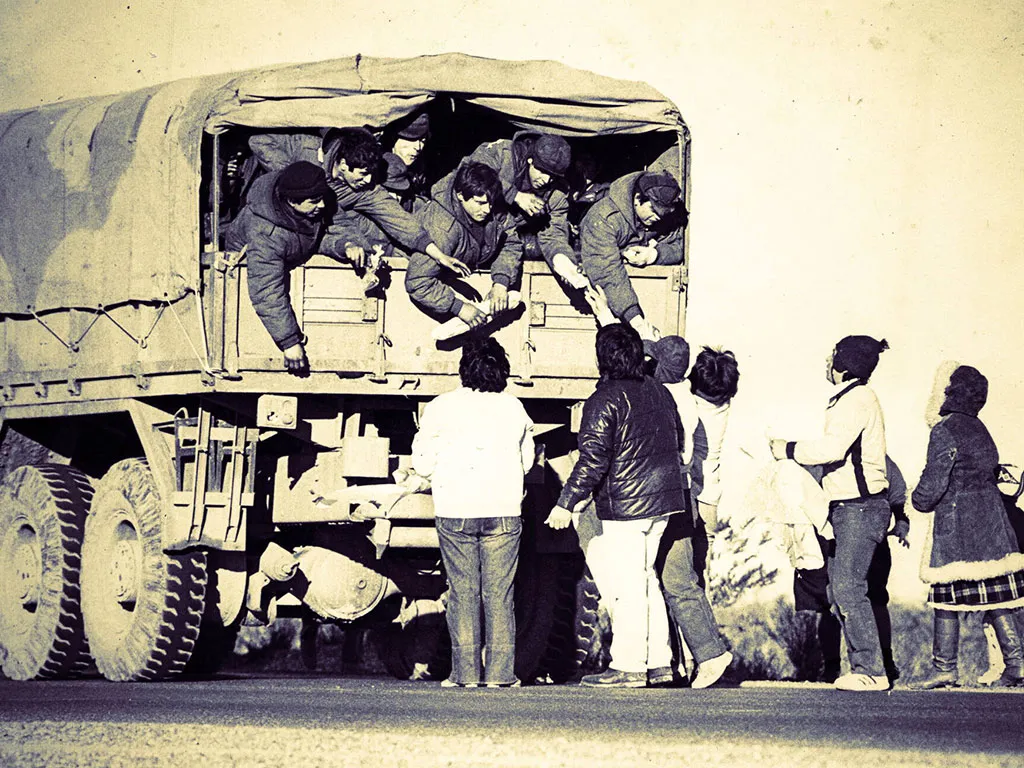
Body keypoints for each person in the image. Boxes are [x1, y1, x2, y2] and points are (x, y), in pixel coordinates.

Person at [545, 323, 687, 688]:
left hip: (627, 505)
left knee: (628, 584)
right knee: (646, 578)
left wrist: (565, 504)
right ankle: (659, 663)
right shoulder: (659, 391)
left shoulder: (604, 399)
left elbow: (592, 460)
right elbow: (679, 438)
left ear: (602, 358)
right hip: (665, 500)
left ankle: (628, 665)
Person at [411, 338, 535, 688]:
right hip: (504, 511)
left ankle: (464, 674)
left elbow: (422, 463)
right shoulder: (514, 407)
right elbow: (526, 462)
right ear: (502, 369)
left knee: (462, 593)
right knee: (500, 595)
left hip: (456, 510)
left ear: (463, 369)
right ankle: (500, 675)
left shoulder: (441, 406)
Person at [770, 335, 891, 691]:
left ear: (844, 364)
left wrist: (787, 449)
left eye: (833, 356)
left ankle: (872, 671)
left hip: (858, 507)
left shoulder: (855, 399)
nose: (827, 361)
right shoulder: (854, 397)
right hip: (850, 507)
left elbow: (833, 448)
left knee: (849, 588)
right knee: (841, 591)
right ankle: (865, 668)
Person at [911, 363, 1024, 689]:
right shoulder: (979, 427)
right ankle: (1017, 663)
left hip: (956, 527)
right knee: (997, 597)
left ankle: (944, 668)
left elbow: (933, 484)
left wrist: (915, 500)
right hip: (992, 526)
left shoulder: (944, 429)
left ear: (946, 393)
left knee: (945, 597)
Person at [645, 340, 735, 688]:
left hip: (688, 497)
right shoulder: (720, 405)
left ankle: (697, 657)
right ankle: (691, 659)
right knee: (689, 581)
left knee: (674, 580)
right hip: (708, 501)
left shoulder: (685, 400)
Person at [793, 456, 910, 685]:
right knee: (830, 601)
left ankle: (883, 663)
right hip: (829, 533)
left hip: (865, 529)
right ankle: (832, 668)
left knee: (874, 598)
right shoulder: (817, 453)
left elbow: (897, 489)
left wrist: (902, 520)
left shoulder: (874, 456)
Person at [223, 160, 330, 373]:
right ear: (291, 201)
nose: (323, 206)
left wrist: (345, 245)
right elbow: (266, 289)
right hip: (249, 296)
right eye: (314, 201)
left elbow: (324, 233)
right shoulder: (265, 232)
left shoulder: (308, 204)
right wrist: (289, 341)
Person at [406, 162, 523, 330]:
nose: (487, 210)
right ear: (460, 195)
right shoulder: (443, 228)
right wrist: (458, 307)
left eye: (490, 203)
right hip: (427, 292)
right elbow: (418, 281)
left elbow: (511, 242)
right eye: (480, 203)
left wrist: (501, 282)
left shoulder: (490, 203)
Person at [577, 170, 687, 341]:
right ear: (637, 199)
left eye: (663, 213)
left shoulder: (664, 214)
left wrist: (655, 255)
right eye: (654, 210)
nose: (658, 217)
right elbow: (607, 272)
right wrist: (636, 321)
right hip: (613, 303)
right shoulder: (603, 217)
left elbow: (684, 246)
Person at [465, 131, 575, 277]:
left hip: (507, 251)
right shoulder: (503, 154)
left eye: (553, 176)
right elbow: (469, 173)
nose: (546, 180)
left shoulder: (556, 193)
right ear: (530, 160)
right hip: (466, 239)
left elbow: (554, 234)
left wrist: (562, 259)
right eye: (543, 171)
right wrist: (515, 195)